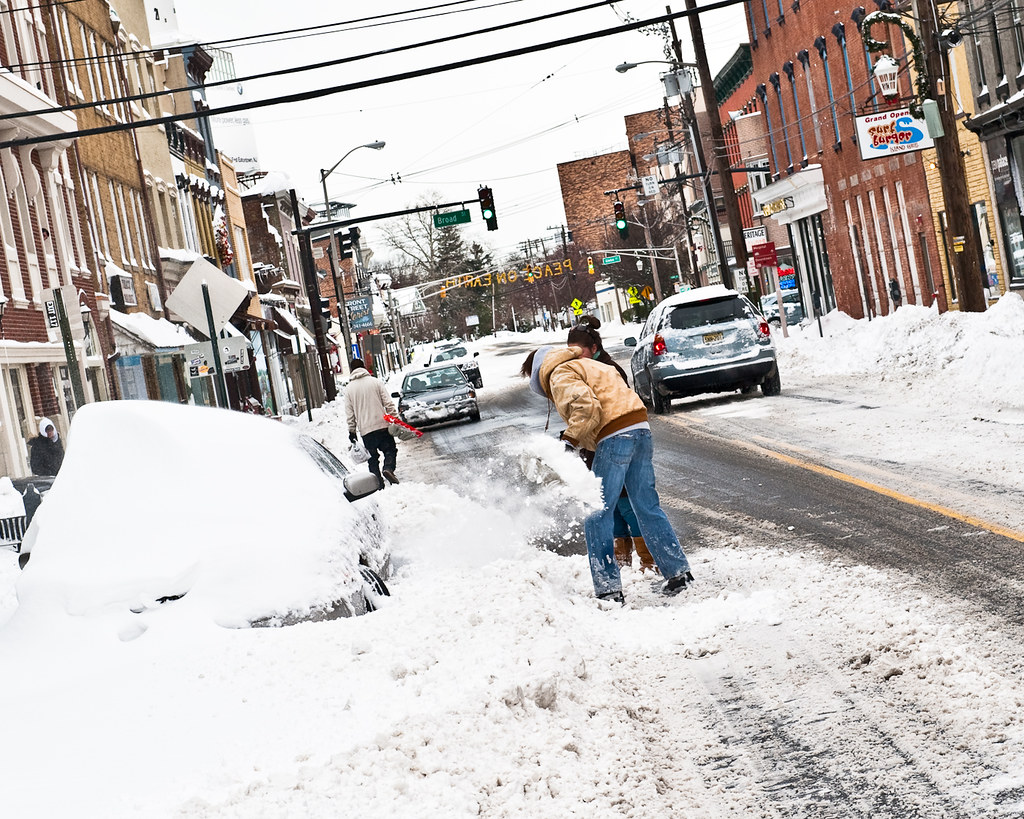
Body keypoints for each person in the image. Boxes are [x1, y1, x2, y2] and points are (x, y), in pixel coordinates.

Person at [521, 345, 693, 604]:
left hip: (615, 436)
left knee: (596, 512)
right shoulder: (588, 364)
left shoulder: (559, 372)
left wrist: (568, 440)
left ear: (539, 374)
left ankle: (608, 589)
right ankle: (679, 573)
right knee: (646, 506)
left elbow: (585, 408)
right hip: (641, 428)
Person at [567, 316, 656, 573]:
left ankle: (648, 559)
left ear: (594, 349)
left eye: (580, 351)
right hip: (594, 446)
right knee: (608, 502)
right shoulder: (579, 370)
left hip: (617, 441)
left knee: (627, 504)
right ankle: (622, 554)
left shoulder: (609, 369)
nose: (575, 357)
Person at [345, 358, 399, 486]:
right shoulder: (375, 382)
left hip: (366, 431)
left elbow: (350, 413)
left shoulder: (349, 389)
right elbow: (388, 403)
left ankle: (378, 485)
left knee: (372, 459)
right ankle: (388, 469)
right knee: (390, 450)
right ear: (364, 367)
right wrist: (395, 419)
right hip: (382, 426)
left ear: (352, 370)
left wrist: (352, 431)